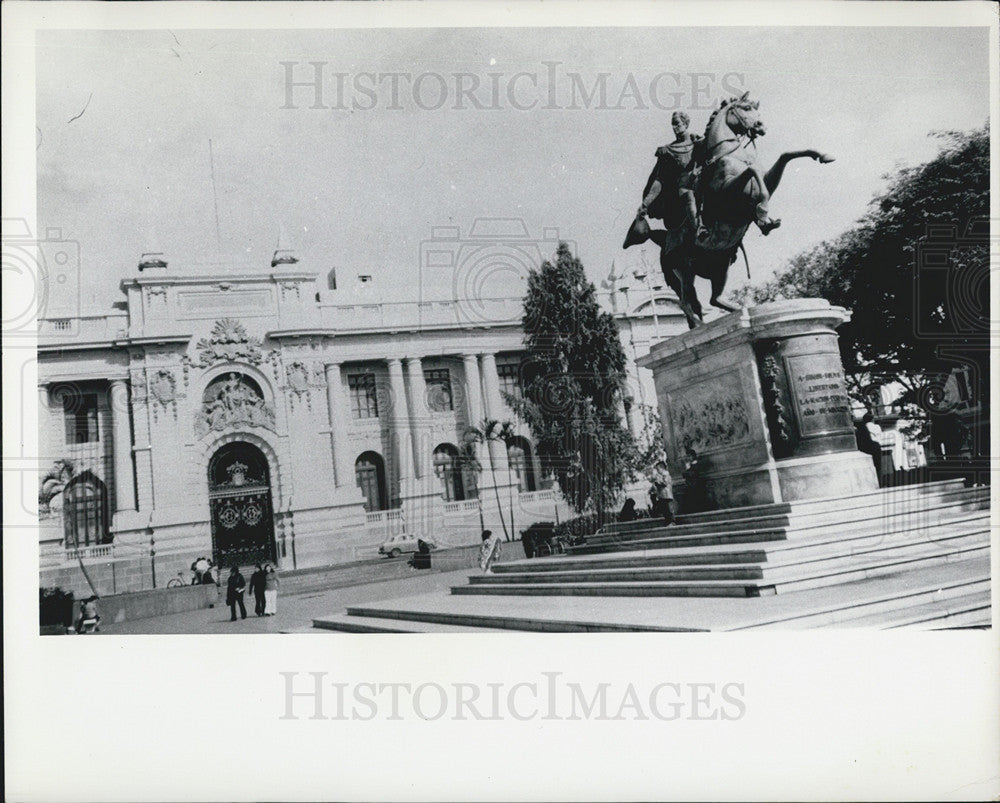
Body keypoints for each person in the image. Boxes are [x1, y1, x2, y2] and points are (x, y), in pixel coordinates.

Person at [624, 110, 708, 250]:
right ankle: (699, 228)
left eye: (677, 124)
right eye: (672, 124)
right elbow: (659, 181)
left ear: (686, 124)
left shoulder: (697, 142)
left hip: (700, 182)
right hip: (683, 189)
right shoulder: (668, 150)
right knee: (687, 194)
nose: (674, 127)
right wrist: (645, 203)